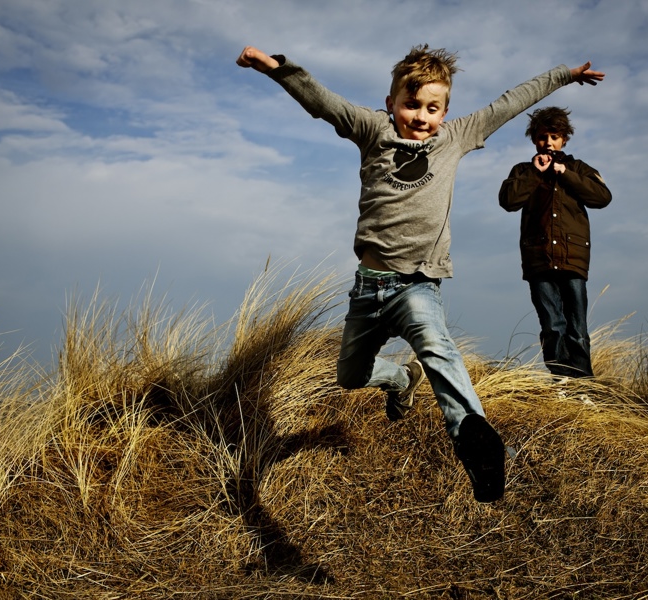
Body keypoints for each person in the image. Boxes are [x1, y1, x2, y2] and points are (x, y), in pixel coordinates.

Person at [237, 44, 604, 501]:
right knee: (350, 376)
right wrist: (277, 69)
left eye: (433, 108)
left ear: (446, 112)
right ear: (392, 103)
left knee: (438, 347)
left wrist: (562, 76)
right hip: (368, 287)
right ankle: (397, 378)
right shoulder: (372, 130)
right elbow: (323, 102)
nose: (421, 116)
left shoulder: (456, 137)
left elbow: (511, 102)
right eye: (411, 105)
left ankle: (473, 437)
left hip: (417, 285)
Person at [499, 107, 611, 379]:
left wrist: (564, 173)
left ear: (564, 139)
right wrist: (535, 175)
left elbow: (602, 197)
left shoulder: (579, 168)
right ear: (534, 139)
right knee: (552, 326)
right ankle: (561, 379)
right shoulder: (523, 170)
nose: (547, 142)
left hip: (573, 259)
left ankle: (584, 384)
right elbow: (508, 201)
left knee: (577, 327)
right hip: (539, 261)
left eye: (553, 136)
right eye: (541, 137)